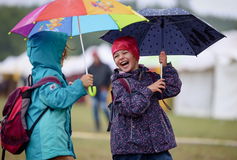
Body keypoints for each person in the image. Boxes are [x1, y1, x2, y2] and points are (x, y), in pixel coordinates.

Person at [109, 36, 182, 160]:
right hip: (129, 148)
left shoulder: (150, 77)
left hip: (156, 145)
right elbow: (131, 108)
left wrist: (166, 66)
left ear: (135, 54)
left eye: (125, 52)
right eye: (116, 55)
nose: (120, 57)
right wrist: (149, 90)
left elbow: (172, 88)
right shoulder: (119, 83)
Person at [25, 31, 93, 160]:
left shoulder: (40, 72)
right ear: (51, 52)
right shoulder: (47, 74)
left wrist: (70, 89)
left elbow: (50, 101)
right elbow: (56, 100)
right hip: (49, 142)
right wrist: (79, 85)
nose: (63, 56)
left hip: (45, 143)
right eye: (61, 52)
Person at [88, 49, 112, 131]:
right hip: (93, 91)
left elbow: (111, 76)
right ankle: (97, 127)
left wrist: (106, 86)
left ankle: (111, 124)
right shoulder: (90, 68)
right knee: (94, 107)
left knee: (104, 107)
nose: (95, 58)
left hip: (103, 90)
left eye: (96, 56)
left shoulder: (105, 66)